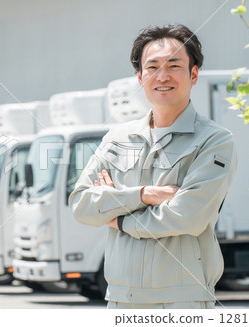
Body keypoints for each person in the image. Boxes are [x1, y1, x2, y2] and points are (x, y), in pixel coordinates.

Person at [69, 24, 237, 309]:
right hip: (119, 300)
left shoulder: (214, 140)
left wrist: (117, 216)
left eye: (174, 65)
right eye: (153, 67)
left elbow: (187, 217)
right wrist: (144, 195)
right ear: (140, 76)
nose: (162, 76)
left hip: (181, 302)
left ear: (193, 74)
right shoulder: (117, 137)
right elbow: (82, 205)